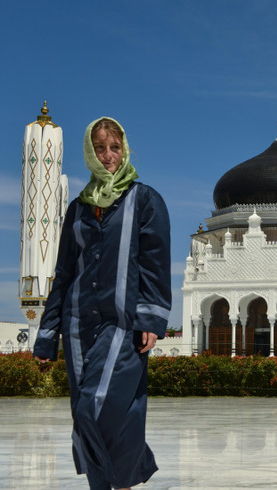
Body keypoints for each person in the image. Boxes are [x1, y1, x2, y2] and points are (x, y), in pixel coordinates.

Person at [33, 117, 171, 490]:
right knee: (107, 415)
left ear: (124, 149)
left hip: (122, 323)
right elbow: (63, 273)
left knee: (95, 406)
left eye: (114, 147)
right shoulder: (78, 207)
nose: (108, 156)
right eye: (99, 148)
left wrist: (151, 319)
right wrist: (47, 336)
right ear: (89, 153)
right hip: (78, 326)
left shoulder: (144, 200)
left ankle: (121, 478)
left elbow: (155, 265)